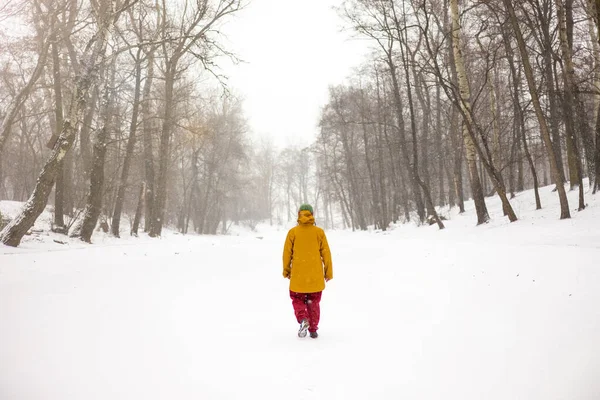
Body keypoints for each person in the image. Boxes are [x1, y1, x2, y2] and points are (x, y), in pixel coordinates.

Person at [282, 204, 333, 338]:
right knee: (314, 303)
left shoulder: (293, 232)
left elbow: (287, 254)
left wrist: (286, 270)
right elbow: (326, 254)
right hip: (315, 277)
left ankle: (303, 318)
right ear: (312, 214)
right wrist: (328, 272)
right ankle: (313, 329)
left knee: (297, 299)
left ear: (299, 214)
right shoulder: (319, 232)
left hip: (298, 276)